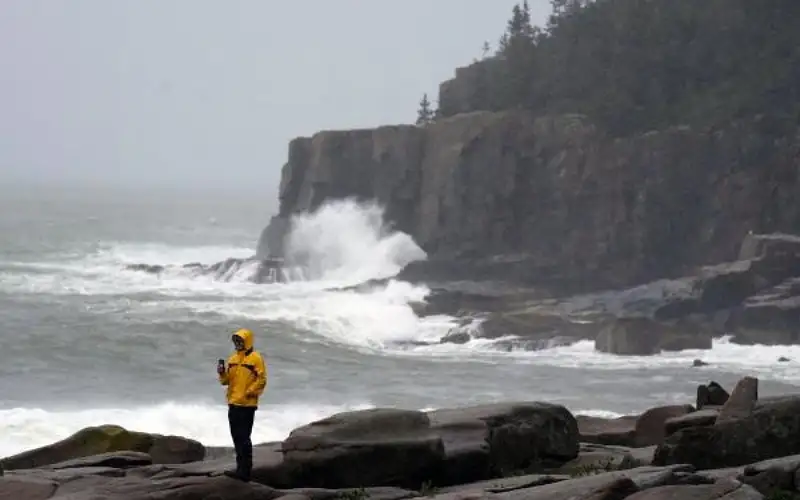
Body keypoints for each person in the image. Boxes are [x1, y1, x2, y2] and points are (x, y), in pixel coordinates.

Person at [217, 328, 267, 482]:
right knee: (236, 437)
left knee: (244, 437)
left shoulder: (256, 358)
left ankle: (245, 471)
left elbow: (262, 379)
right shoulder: (232, 359)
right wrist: (221, 372)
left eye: (240, 341)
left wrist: (249, 392)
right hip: (233, 403)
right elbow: (226, 381)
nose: (238, 344)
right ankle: (240, 469)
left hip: (247, 405)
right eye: (236, 341)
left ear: (247, 341)